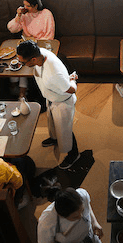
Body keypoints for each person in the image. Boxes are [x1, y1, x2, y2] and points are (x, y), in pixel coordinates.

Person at [16, 40, 81, 169]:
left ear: (33, 59)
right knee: (52, 123)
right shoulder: (41, 53)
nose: (21, 64)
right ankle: (55, 139)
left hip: (63, 102)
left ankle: (74, 154)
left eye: (23, 62)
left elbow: (71, 89)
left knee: (65, 130)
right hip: (51, 98)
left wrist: (72, 80)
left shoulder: (54, 73)